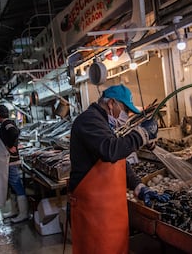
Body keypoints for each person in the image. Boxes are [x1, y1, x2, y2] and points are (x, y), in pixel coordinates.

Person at [68, 84, 170, 254]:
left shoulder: (103, 123)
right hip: (92, 215)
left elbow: (119, 161)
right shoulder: (89, 120)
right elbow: (111, 150)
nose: (127, 116)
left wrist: (139, 186)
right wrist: (141, 135)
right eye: (125, 110)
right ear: (111, 103)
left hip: (108, 214)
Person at [0, 105, 28, 223]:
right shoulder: (7, 124)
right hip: (8, 161)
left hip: (10, 162)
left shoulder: (6, 124)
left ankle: (23, 214)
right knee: (12, 187)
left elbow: (15, 132)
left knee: (17, 185)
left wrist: (10, 145)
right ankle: (14, 211)